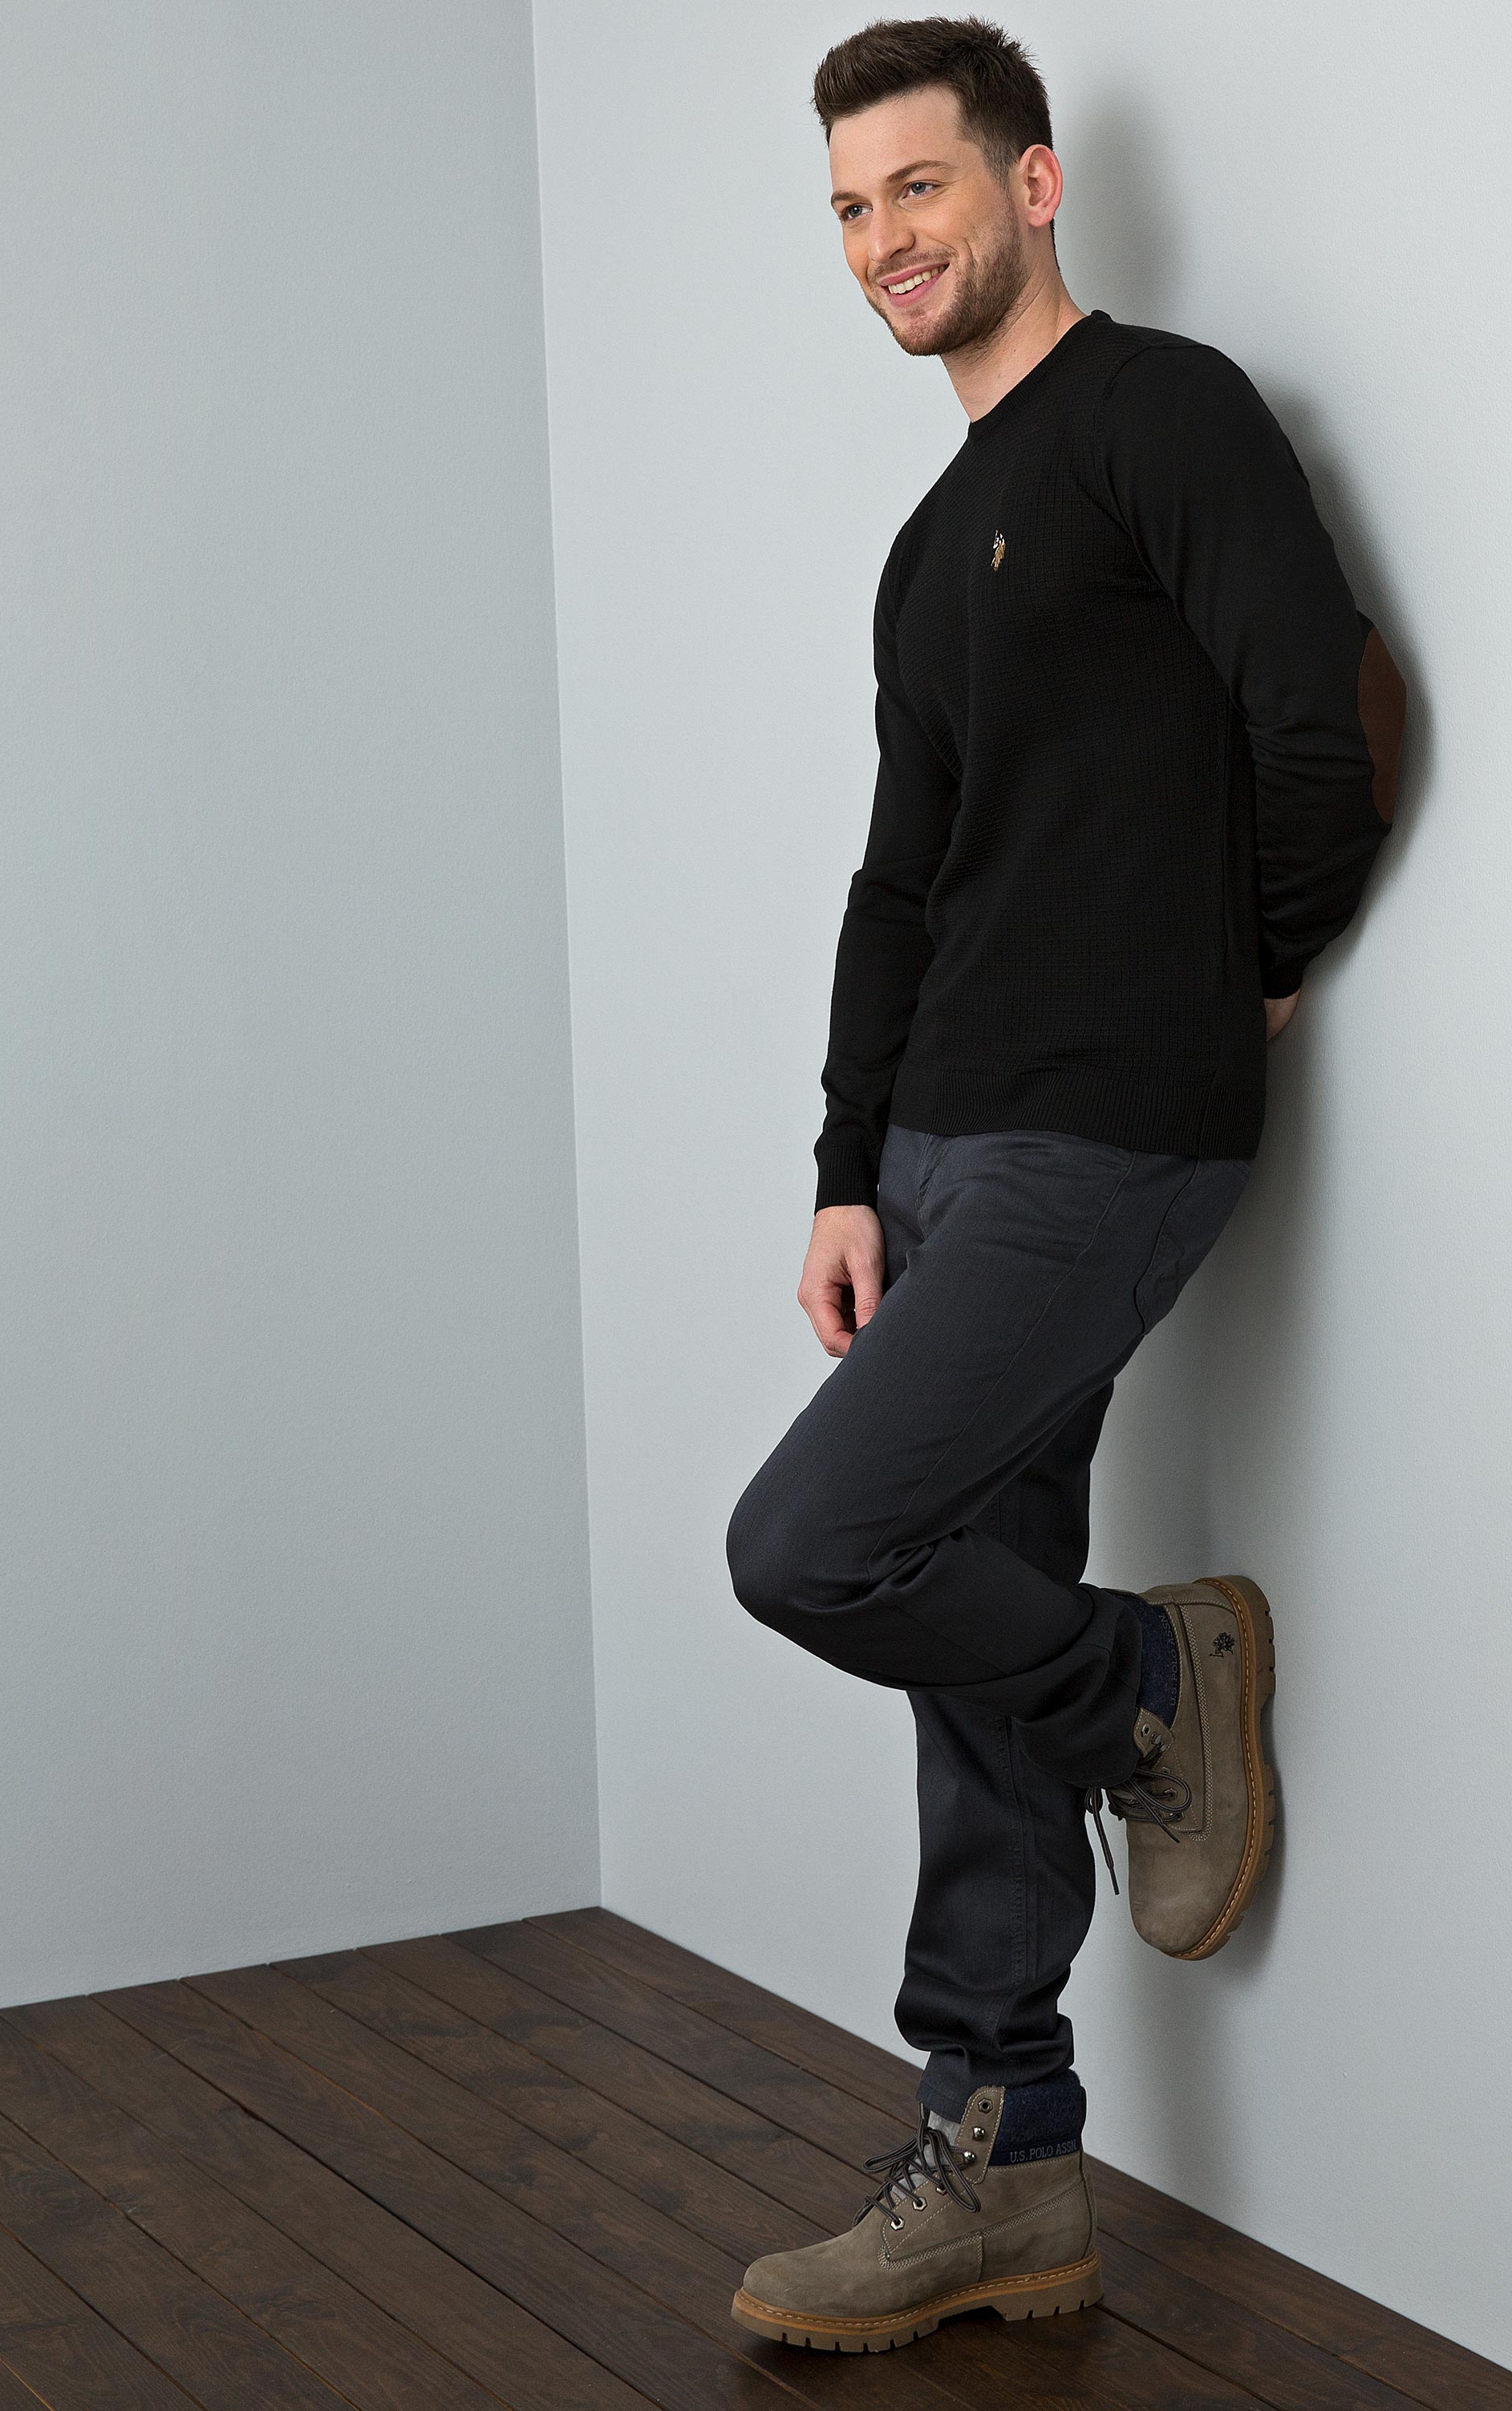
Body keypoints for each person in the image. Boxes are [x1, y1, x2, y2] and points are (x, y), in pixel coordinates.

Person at [723, 13, 1405, 2356]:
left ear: (1027, 186)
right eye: (846, 208)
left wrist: (1252, 968)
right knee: (950, 1617)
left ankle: (1150, 1677)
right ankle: (1003, 2161)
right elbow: (896, 883)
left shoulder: (1164, 416)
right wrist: (845, 1169)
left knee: (812, 1545)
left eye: (914, 187)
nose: (879, 240)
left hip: (1109, 1124)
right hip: (938, 1142)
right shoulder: (930, 548)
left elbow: (1317, 716)